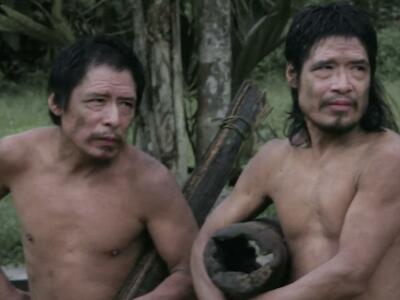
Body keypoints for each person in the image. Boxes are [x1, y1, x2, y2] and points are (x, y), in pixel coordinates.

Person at [191, 3, 400, 300]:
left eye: (358, 69)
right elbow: (203, 244)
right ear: (292, 74)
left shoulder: (386, 157)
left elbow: (351, 274)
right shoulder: (274, 160)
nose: (343, 85)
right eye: (325, 68)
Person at [0, 36, 198, 300]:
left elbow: (189, 270)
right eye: (97, 101)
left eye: (126, 104)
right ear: (57, 103)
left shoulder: (149, 182)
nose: (114, 119)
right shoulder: (15, 157)